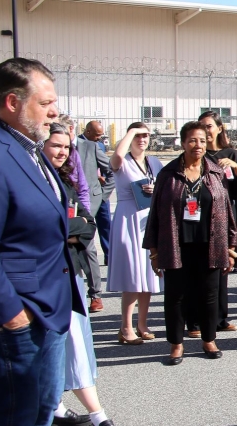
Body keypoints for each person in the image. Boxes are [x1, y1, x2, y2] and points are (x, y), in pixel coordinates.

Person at [0, 57, 84, 426]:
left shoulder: (29, 148)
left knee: (40, 418)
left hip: (49, 308)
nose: (55, 111)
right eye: (46, 103)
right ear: (12, 102)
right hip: (17, 315)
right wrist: (12, 316)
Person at [42, 124, 124, 426]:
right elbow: (47, 227)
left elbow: (86, 226)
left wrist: (68, 227)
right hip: (50, 274)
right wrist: (69, 228)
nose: (62, 152)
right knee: (68, 341)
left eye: (66, 147)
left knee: (76, 341)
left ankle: (55, 407)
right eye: (55, 146)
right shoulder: (35, 178)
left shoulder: (65, 179)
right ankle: (98, 415)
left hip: (70, 271)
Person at [144, 121, 237, 365]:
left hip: (210, 243)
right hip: (177, 244)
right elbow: (155, 213)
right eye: (193, 140)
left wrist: (230, 246)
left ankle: (209, 339)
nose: (198, 145)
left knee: (209, 294)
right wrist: (154, 252)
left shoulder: (215, 172)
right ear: (183, 143)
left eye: (203, 141)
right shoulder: (168, 174)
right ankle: (176, 344)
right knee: (175, 296)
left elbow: (227, 211)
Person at [107, 122, 164, 344]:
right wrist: (130, 132)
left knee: (148, 273)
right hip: (128, 216)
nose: (142, 139)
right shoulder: (123, 161)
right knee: (132, 275)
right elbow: (116, 159)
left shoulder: (154, 162)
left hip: (148, 218)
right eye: (138, 135)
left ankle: (142, 323)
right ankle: (125, 326)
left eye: (146, 135)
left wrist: (155, 188)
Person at [198, 110, 237, 333]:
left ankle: (220, 318)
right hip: (200, 217)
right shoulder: (197, 154)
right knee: (200, 269)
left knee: (223, 266)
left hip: (225, 217)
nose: (206, 131)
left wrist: (236, 168)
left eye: (209, 126)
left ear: (220, 128)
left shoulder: (230, 154)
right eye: (202, 126)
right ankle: (197, 319)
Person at [57, 114, 114, 313]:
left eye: (69, 129)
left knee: (89, 248)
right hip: (64, 207)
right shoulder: (52, 151)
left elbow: (89, 181)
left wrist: (98, 200)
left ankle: (95, 294)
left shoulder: (89, 147)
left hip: (85, 204)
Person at [80, 120, 112, 265]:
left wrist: (104, 194)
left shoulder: (98, 145)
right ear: (88, 132)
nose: (100, 138)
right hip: (84, 198)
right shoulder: (76, 144)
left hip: (99, 194)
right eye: (97, 135)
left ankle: (109, 256)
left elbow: (108, 169)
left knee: (106, 226)